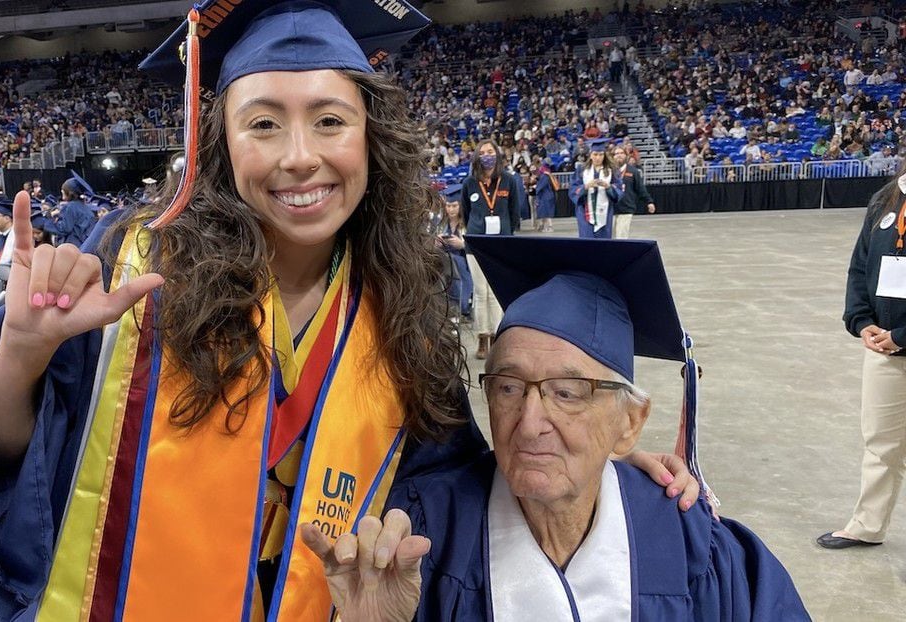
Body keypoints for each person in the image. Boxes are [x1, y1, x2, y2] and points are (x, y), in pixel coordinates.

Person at [0, 3, 697, 621]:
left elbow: (449, 483)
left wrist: (579, 453)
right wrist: (22, 353)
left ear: (371, 139)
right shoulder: (130, 262)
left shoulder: (401, 302)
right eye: (262, 123)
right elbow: (5, 454)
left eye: (330, 119)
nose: (298, 156)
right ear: (219, 141)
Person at [339, 236, 810, 620]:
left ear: (630, 424)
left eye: (568, 392)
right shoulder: (422, 537)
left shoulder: (690, 544)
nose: (529, 423)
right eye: (507, 387)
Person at [818, 162, 906, 549]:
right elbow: (859, 267)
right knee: (880, 441)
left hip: (898, 338)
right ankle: (867, 526)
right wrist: (860, 319)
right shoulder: (885, 200)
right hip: (884, 349)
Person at [460, 140, 524, 359]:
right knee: (480, 292)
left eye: (490, 152)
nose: (486, 155)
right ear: (477, 157)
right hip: (476, 244)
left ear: (497, 154)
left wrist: (507, 233)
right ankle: (482, 337)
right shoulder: (469, 183)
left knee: (496, 292)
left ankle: (498, 336)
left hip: (501, 243)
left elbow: (515, 210)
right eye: (482, 152)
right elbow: (466, 212)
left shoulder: (508, 180)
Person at [570, 140, 623, 239]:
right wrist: (585, 187)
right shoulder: (582, 170)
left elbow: (619, 188)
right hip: (585, 212)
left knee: (603, 242)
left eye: (601, 155)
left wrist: (608, 187)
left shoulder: (612, 170)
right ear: (590, 155)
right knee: (587, 241)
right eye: (595, 154)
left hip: (605, 211)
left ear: (604, 155)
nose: (598, 158)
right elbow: (573, 188)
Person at [436, 184, 472, 322]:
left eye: (455, 206)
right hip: (444, 261)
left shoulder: (468, 223)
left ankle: (462, 305)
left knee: (457, 263)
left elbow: (474, 247)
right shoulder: (440, 223)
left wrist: (462, 245)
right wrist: (437, 243)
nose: (451, 209)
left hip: (464, 262)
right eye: (449, 206)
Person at [612, 142, 656, 239]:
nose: (619, 155)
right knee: (608, 238)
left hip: (626, 209)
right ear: (613, 156)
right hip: (610, 209)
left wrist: (649, 202)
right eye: (616, 153)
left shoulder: (633, 171)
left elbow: (640, 188)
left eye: (621, 153)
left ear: (626, 155)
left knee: (621, 237)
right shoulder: (609, 171)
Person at [47, 173, 96, 246]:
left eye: (63, 190)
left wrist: (50, 218)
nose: (62, 191)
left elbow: (65, 228)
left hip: (72, 244)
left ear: (69, 193)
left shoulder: (71, 206)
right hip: (84, 243)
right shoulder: (85, 207)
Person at [532, 161, 557, 233]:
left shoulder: (545, 176)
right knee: (544, 213)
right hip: (546, 196)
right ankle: (543, 226)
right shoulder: (547, 175)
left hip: (545, 196)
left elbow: (540, 186)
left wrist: (536, 187)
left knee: (546, 213)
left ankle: (549, 227)